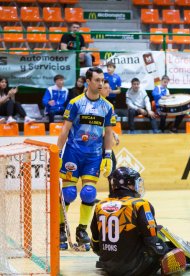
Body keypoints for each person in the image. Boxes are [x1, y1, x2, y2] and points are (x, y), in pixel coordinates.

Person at [91, 167, 190, 275]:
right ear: (128, 185)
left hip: (108, 268)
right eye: (135, 183)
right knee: (161, 236)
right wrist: (167, 251)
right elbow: (153, 244)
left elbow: (96, 246)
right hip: (134, 269)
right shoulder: (140, 204)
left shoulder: (99, 206)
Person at [58, 67, 116, 250]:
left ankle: (82, 230)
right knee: (68, 193)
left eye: (102, 80)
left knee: (89, 193)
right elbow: (65, 130)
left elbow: (108, 133)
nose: (101, 84)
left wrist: (107, 155)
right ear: (88, 81)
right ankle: (60, 228)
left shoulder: (107, 106)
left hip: (93, 156)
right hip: (73, 153)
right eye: (97, 80)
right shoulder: (75, 103)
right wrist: (57, 153)